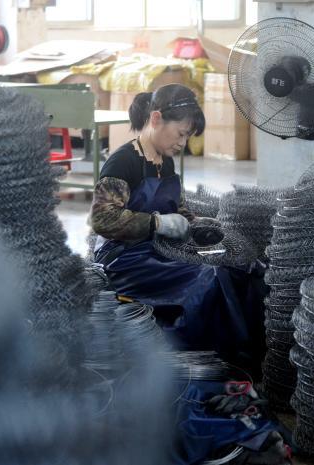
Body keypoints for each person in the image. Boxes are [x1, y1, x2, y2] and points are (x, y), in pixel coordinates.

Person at [90, 84, 265, 366]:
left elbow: (179, 210)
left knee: (239, 268)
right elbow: (103, 219)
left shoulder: (166, 163)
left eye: (187, 136)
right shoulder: (123, 163)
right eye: (181, 133)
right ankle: (197, 359)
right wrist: (155, 223)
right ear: (156, 119)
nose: (183, 142)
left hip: (161, 250)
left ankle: (244, 355)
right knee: (208, 278)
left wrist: (197, 222)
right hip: (123, 257)